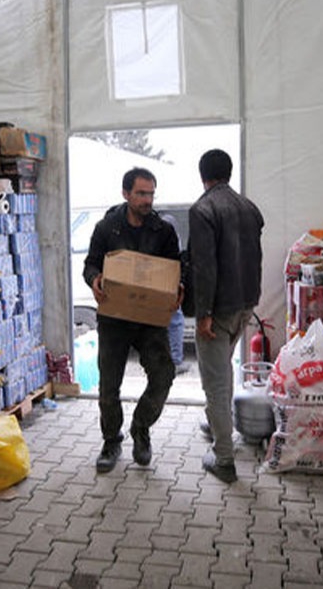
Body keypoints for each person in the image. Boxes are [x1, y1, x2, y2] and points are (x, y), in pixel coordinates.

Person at [83, 167, 183, 473]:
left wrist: (179, 287)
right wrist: (95, 279)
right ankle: (111, 440)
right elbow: (90, 265)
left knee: (164, 373)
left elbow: (174, 269)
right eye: (141, 193)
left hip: (149, 320)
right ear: (126, 194)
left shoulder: (163, 231)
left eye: (151, 193)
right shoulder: (106, 228)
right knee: (109, 385)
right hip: (114, 318)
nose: (147, 199)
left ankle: (141, 427)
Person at [187, 149, 264, 483]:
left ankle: (224, 460)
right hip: (245, 304)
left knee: (216, 382)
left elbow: (204, 267)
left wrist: (202, 313)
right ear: (228, 173)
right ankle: (216, 423)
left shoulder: (203, 209)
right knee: (223, 370)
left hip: (217, 311)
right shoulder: (249, 208)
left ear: (203, 175)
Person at [159, 212, 190, 375]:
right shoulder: (172, 237)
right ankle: (176, 360)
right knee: (176, 321)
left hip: (156, 287)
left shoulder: (155, 235)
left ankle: (163, 361)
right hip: (169, 285)